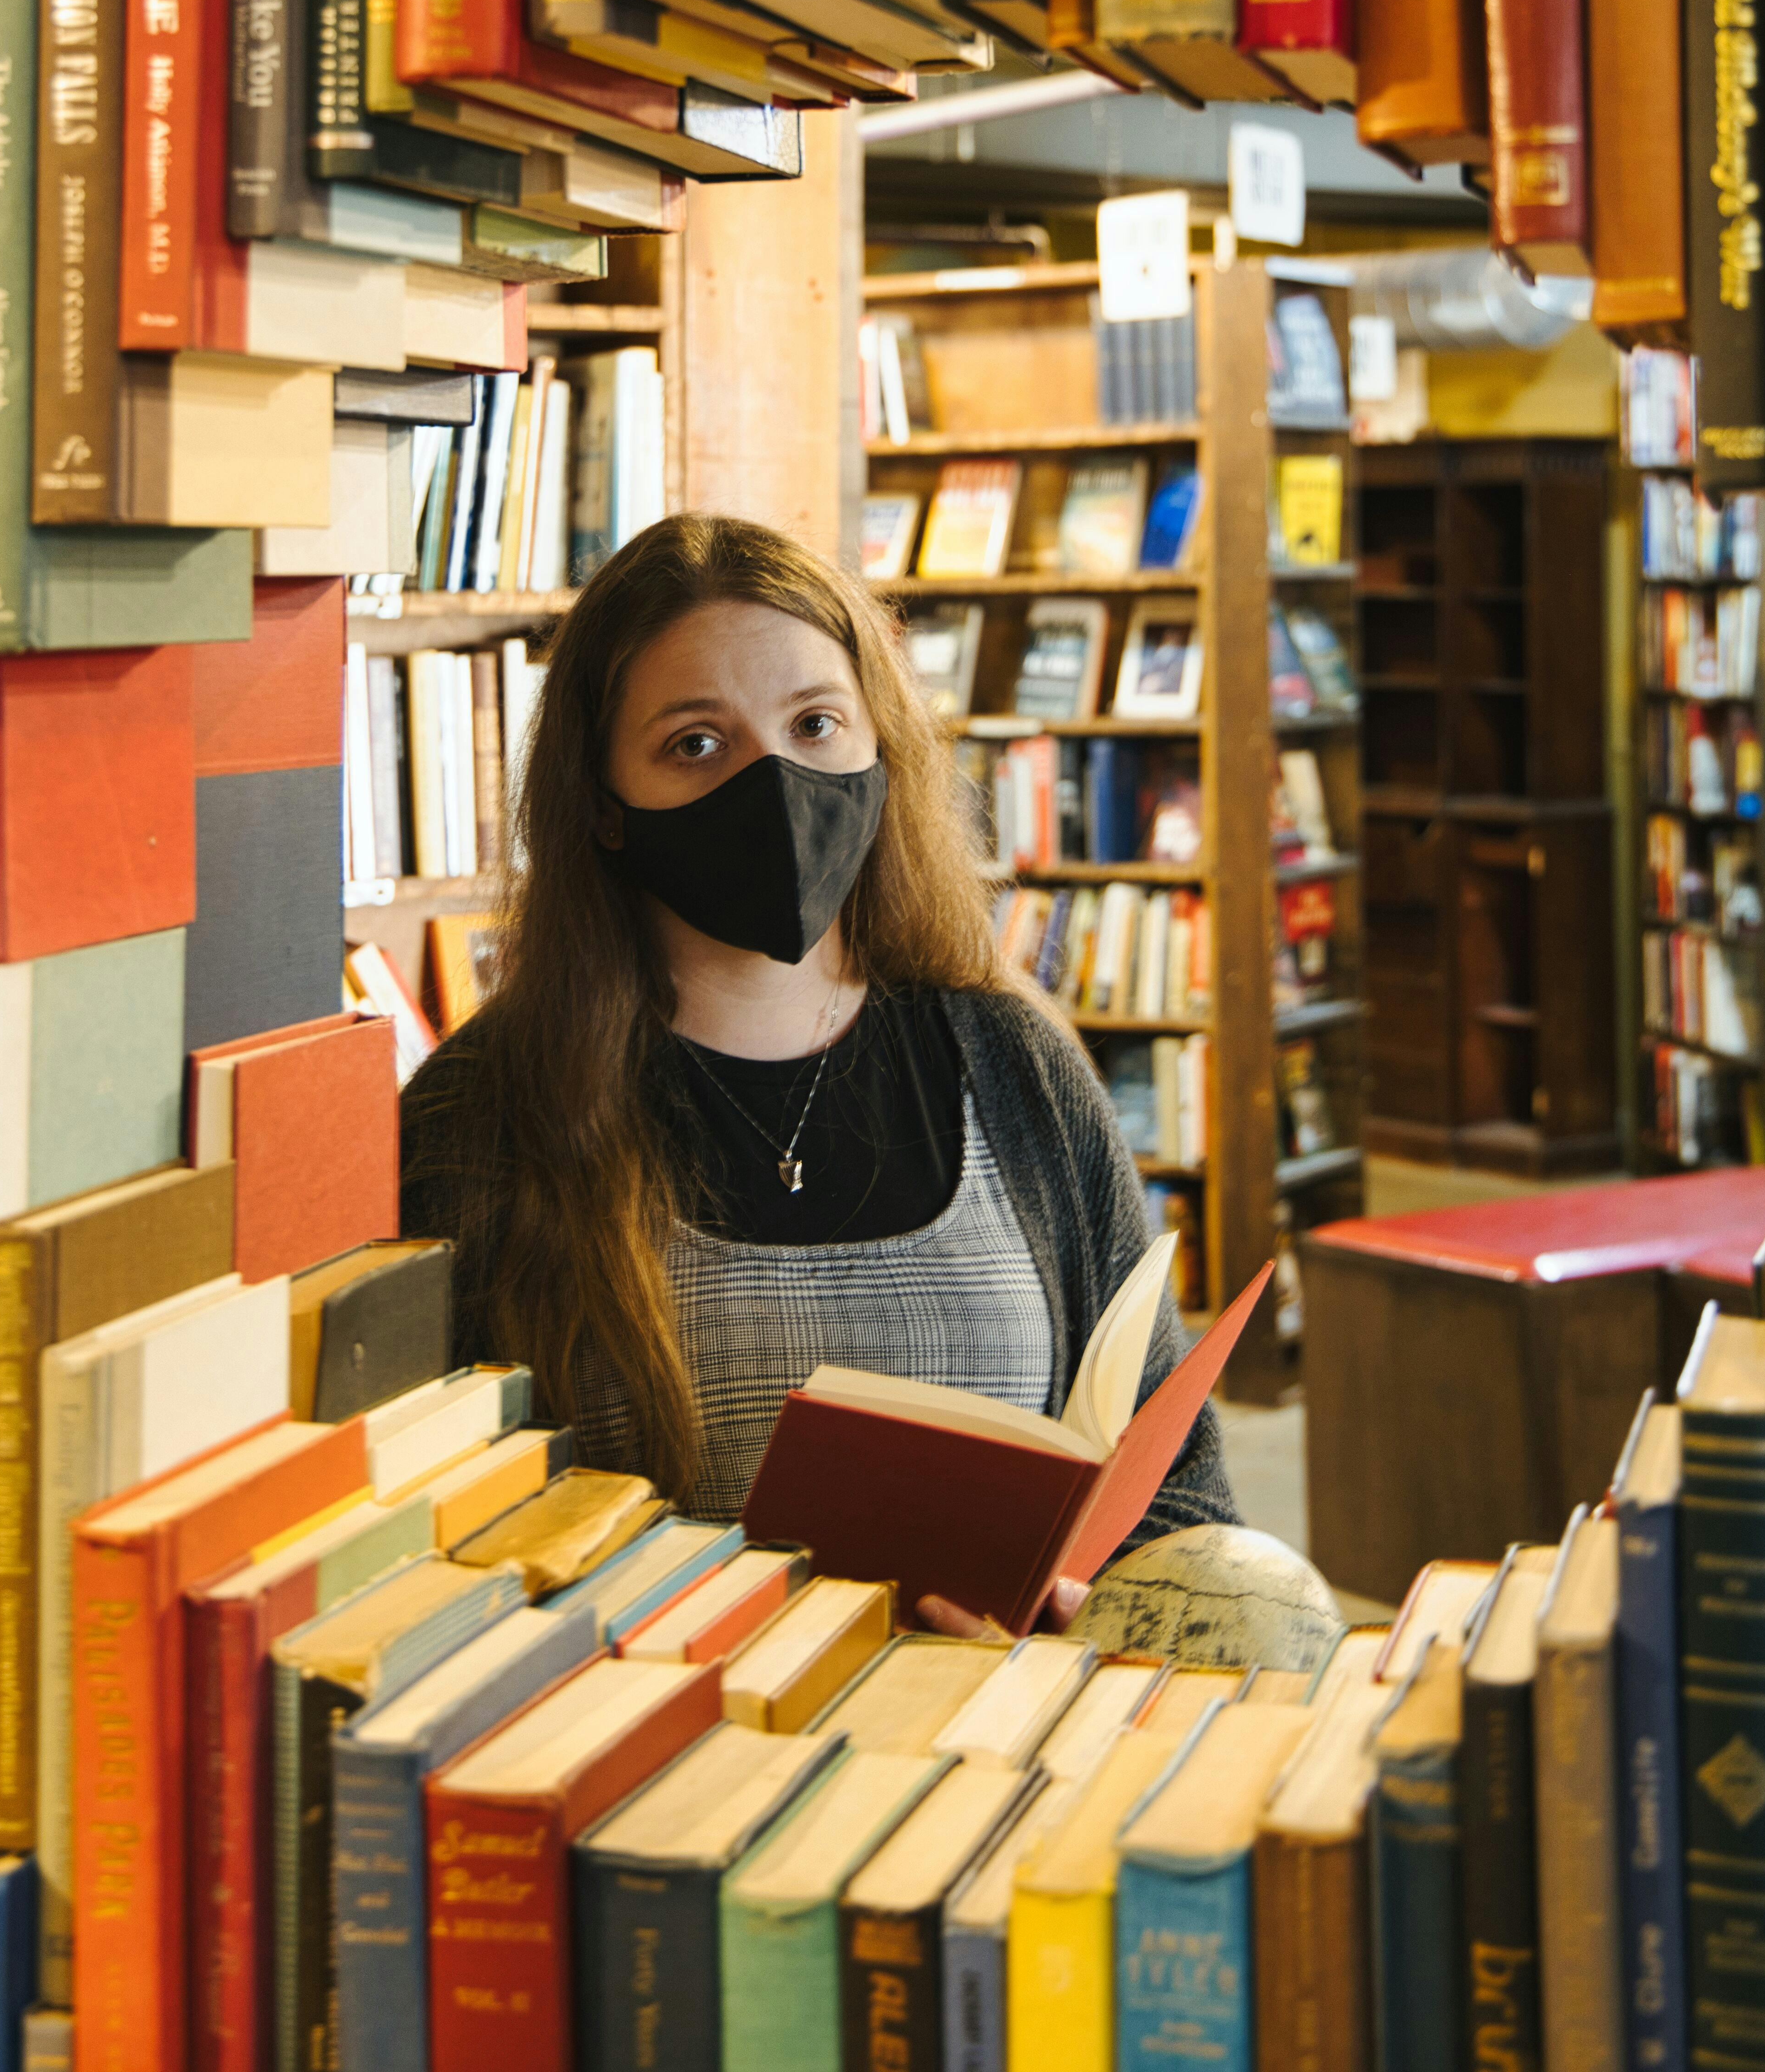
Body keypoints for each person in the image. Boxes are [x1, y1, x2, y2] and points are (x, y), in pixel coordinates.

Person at [399, 509, 1240, 1629]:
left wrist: (1088, 1610)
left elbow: (1173, 1481)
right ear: (601, 805)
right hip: (669, 1758)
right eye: (695, 744)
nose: (776, 784)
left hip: (1000, 1737)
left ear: (878, 748)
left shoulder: (1012, 1061)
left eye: (815, 725)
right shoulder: (482, 1113)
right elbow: (414, 1539)